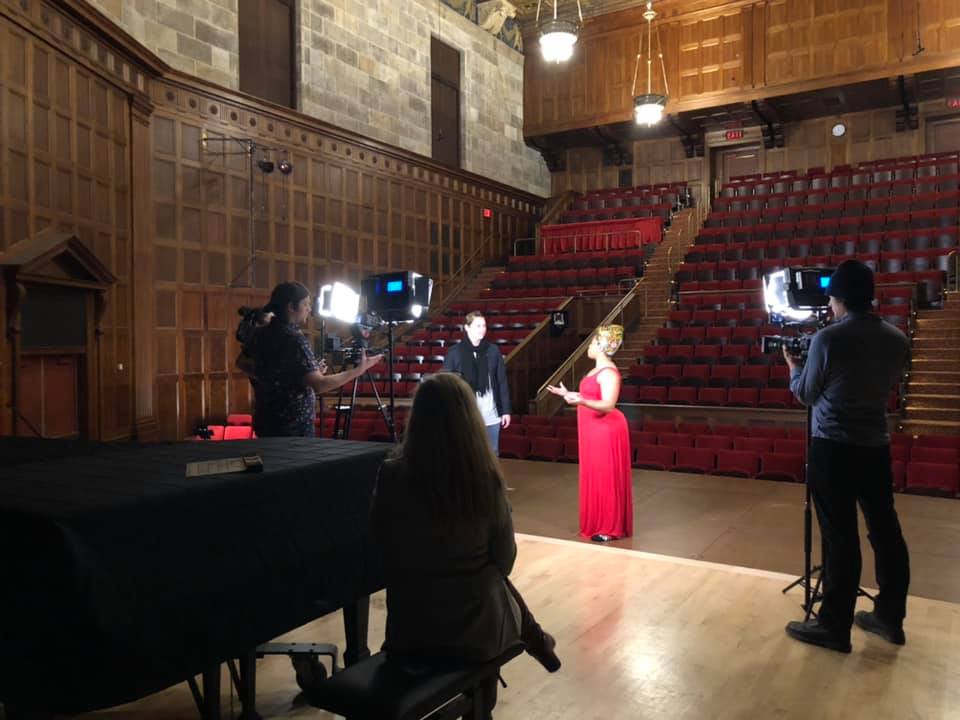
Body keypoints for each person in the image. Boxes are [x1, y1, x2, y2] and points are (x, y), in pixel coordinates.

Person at [372, 373, 560, 707]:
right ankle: (529, 646)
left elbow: (380, 545)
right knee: (489, 577)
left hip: (410, 630)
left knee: (481, 579)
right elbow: (505, 560)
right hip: (473, 636)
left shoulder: (391, 474)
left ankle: (536, 638)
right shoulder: (485, 480)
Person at [783, 259, 911, 653]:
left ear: (838, 299)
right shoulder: (897, 338)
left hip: (833, 448)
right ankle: (890, 618)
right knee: (885, 532)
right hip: (874, 447)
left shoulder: (829, 339)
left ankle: (834, 626)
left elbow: (806, 394)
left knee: (840, 538)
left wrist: (793, 369)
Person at [236, 281, 382, 437]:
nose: (309, 309)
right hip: (292, 429)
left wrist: (279, 377)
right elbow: (320, 385)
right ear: (291, 307)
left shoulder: (260, 333)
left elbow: (242, 363)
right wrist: (359, 370)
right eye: (305, 304)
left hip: (266, 423)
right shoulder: (294, 339)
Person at [547, 325, 633, 542]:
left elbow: (608, 404)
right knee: (595, 474)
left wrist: (582, 400)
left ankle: (609, 526)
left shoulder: (609, 372)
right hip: (593, 430)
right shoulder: (595, 370)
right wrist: (569, 394)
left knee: (605, 477)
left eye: (593, 342)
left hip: (605, 430)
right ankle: (597, 522)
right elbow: (590, 394)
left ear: (602, 347)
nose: (590, 345)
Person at [441, 311, 511, 452]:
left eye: (484, 326)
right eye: (478, 326)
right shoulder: (455, 352)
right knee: (468, 455)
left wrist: (506, 411)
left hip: (491, 415)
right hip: (466, 415)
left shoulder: (493, 351)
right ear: (467, 328)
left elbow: (501, 381)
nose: (482, 329)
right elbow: (446, 385)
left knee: (492, 454)